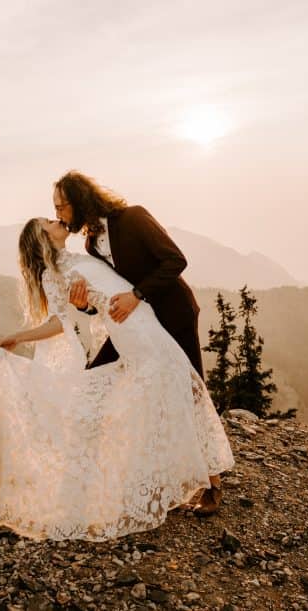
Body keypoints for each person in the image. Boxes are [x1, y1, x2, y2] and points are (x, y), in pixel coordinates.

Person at [0, 217, 234, 542]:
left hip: (149, 327)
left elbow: (108, 288)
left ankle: (192, 482)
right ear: (44, 239)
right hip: (134, 339)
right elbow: (59, 323)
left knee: (176, 391)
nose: (55, 219)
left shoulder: (84, 257)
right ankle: (193, 483)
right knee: (166, 392)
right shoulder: (56, 274)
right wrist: (19, 337)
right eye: (48, 222)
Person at [52, 171, 224, 515]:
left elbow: (176, 261)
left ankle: (213, 485)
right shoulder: (89, 245)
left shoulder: (134, 218)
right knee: (96, 377)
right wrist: (83, 305)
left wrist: (137, 294)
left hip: (172, 314)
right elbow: (105, 295)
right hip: (134, 326)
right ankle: (108, 476)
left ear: (79, 201)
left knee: (190, 390)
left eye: (61, 206)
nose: (58, 214)